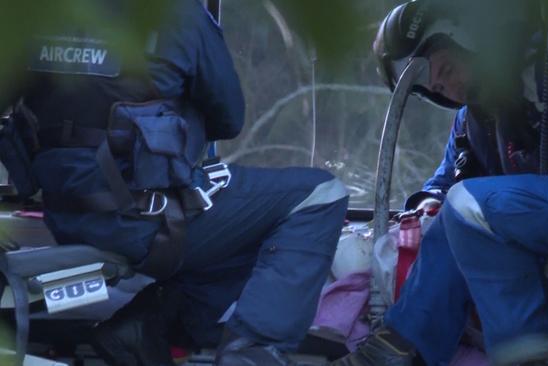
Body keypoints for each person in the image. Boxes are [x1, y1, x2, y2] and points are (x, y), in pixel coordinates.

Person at [3, 1, 349, 365]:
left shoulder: (38, 17)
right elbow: (229, 119)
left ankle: (145, 326)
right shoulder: (178, 15)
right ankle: (251, 357)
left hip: (64, 216)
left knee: (242, 232)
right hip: (149, 220)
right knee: (319, 194)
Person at [332, 1, 548, 365]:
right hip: (536, 218)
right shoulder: (472, 120)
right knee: (451, 212)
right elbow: (444, 183)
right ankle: (395, 351)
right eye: (438, 88)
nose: (451, 89)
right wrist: (427, 204)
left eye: (448, 70)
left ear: (465, 35)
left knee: (465, 207)